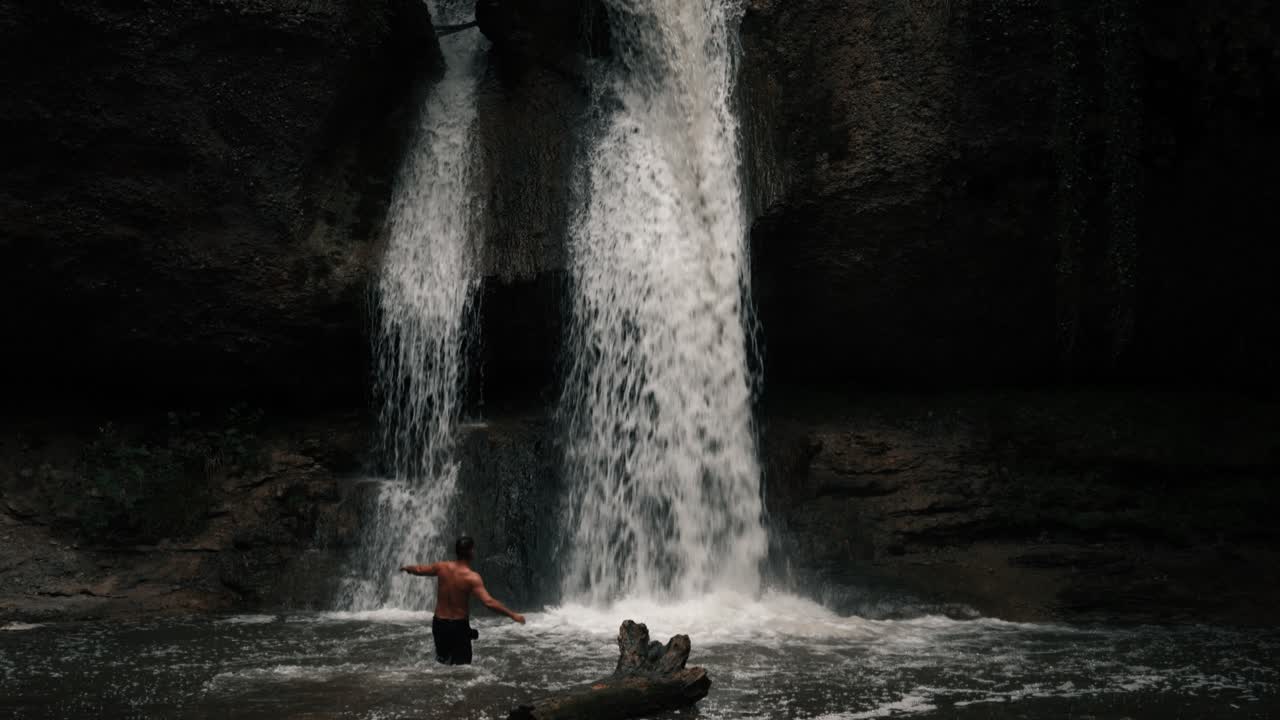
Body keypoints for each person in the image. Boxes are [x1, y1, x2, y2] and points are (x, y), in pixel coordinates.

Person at [400, 535, 525, 665]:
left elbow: (420, 569)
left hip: (439, 624)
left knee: (441, 664)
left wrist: (408, 568)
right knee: (463, 669)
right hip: (458, 627)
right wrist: (512, 614)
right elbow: (489, 602)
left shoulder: (442, 567)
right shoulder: (472, 577)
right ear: (470, 551)